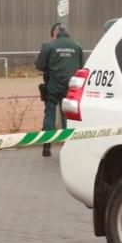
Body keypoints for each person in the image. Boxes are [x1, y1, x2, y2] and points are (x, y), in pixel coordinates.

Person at [34, 22, 83, 157]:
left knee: (49, 114)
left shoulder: (49, 46)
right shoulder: (77, 45)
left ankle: (46, 148)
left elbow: (39, 65)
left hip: (53, 85)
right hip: (70, 87)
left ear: (55, 33)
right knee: (67, 115)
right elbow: (81, 67)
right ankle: (68, 147)